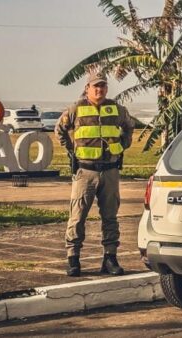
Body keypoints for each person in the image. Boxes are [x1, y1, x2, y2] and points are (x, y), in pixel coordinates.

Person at [55, 72, 138, 277]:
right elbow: (60, 130)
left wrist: (123, 144)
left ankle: (110, 259)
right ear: (87, 88)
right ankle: (73, 259)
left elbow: (130, 126)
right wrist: (72, 150)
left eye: (102, 86)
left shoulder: (116, 109)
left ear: (106, 89)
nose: (99, 90)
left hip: (109, 171)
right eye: (95, 86)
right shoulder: (76, 109)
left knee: (110, 217)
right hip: (86, 172)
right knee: (78, 217)